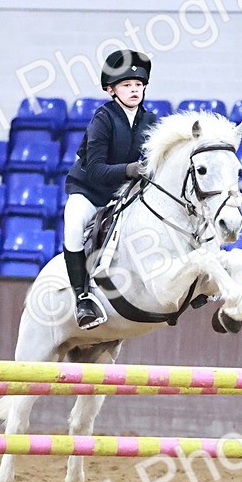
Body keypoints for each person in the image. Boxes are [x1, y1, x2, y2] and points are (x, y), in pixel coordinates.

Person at [62, 49, 158, 329]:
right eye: (127, 85)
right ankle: (82, 299)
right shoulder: (103, 119)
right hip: (91, 192)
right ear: (111, 90)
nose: (134, 90)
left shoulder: (150, 120)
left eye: (138, 84)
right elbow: (95, 169)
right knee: (73, 227)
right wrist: (130, 169)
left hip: (126, 194)